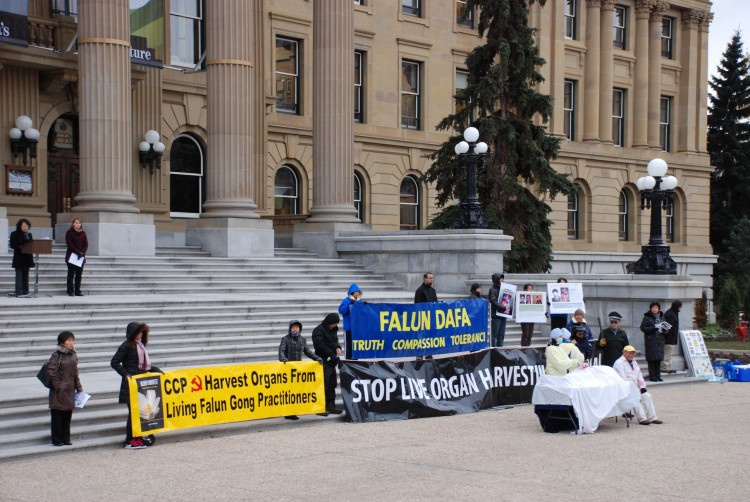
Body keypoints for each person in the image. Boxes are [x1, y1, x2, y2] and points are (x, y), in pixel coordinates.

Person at [111, 322, 162, 449]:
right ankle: (129, 440)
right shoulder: (126, 345)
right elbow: (114, 362)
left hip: (140, 385)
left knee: (139, 413)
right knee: (133, 413)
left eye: (142, 332)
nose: (141, 334)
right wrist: (125, 374)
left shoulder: (140, 346)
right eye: (139, 332)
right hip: (130, 385)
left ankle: (137, 437)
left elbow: (143, 366)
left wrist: (154, 369)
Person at [278, 320, 323, 420]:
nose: (295, 329)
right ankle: (288, 412)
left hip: (298, 370)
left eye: (297, 327)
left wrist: (316, 358)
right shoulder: (285, 339)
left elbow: (307, 351)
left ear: (300, 329)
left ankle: (294, 411)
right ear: (290, 329)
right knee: (289, 391)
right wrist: (283, 359)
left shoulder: (302, 339)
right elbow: (281, 350)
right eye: (293, 327)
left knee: (297, 391)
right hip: (288, 369)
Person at [48, 331, 83, 446]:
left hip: (70, 389)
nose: (71, 342)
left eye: (72, 340)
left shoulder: (73, 354)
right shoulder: (56, 355)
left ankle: (66, 438)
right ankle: (57, 439)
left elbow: (75, 373)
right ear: (62, 343)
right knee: (57, 415)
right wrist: (58, 386)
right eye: (69, 340)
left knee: (67, 415)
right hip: (59, 390)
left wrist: (79, 388)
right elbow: (52, 370)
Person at [613, 345, 663, 425]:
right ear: (624, 353)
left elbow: (639, 376)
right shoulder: (618, 363)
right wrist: (634, 385)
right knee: (634, 398)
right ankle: (642, 419)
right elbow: (622, 379)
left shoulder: (634, 362)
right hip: (623, 390)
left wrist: (642, 387)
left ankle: (652, 417)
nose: (631, 355)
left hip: (635, 388)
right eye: (629, 353)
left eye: (633, 353)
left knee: (647, 396)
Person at [312, 313, 343, 416]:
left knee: (332, 384)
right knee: (323, 385)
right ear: (329, 322)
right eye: (333, 324)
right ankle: (320, 408)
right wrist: (331, 354)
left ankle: (331, 406)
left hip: (331, 361)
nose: (334, 325)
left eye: (335, 324)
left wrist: (338, 347)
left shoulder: (333, 330)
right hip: (323, 361)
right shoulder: (318, 330)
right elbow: (319, 346)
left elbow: (335, 341)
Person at [640, 302, 666, 382]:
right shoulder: (647, 317)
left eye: (656, 307)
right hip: (651, 341)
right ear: (651, 309)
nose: (654, 309)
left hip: (660, 341)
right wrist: (653, 328)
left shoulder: (662, 317)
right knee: (651, 360)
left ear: (659, 309)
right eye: (653, 308)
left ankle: (658, 376)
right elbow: (643, 328)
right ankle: (653, 376)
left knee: (658, 359)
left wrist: (665, 330)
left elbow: (665, 328)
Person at [10, 218, 34, 297]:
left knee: (26, 275)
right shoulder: (14, 234)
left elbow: (31, 245)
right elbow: (12, 245)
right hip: (19, 257)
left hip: (27, 257)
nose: (25, 227)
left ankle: (25, 291)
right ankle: (19, 292)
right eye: (23, 226)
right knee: (19, 275)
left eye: (27, 226)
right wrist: (21, 247)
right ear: (19, 226)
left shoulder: (29, 235)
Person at [65, 217, 89, 297]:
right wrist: (78, 252)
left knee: (79, 275)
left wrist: (82, 253)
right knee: (71, 274)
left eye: (79, 223)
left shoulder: (83, 233)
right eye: (76, 223)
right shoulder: (69, 233)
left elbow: (86, 244)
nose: (78, 224)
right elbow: (70, 244)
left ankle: (77, 291)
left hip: (80, 257)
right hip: (72, 256)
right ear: (73, 224)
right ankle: (70, 291)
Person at [338, 283, 362, 359]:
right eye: (356, 292)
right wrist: (349, 304)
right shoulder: (346, 301)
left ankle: (356, 362)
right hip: (349, 328)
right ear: (352, 293)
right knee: (349, 347)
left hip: (357, 328)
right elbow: (341, 311)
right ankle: (348, 361)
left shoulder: (360, 301)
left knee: (356, 348)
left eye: (358, 292)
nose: (357, 293)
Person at [662, 300, 682, 374]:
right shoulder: (671, 314)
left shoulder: (672, 313)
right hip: (669, 338)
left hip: (671, 338)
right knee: (667, 353)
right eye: (680, 307)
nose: (681, 308)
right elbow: (669, 328)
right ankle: (666, 367)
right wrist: (669, 337)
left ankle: (669, 367)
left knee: (669, 353)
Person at [488, 272, 507, 347]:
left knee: (501, 334)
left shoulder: (504, 288)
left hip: (503, 314)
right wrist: (501, 307)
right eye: (501, 278)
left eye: (503, 278)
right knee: (494, 334)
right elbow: (493, 300)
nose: (502, 280)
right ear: (497, 279)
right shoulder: (492, 289)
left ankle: (500, 349)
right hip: (496, 315)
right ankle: (493, 349)